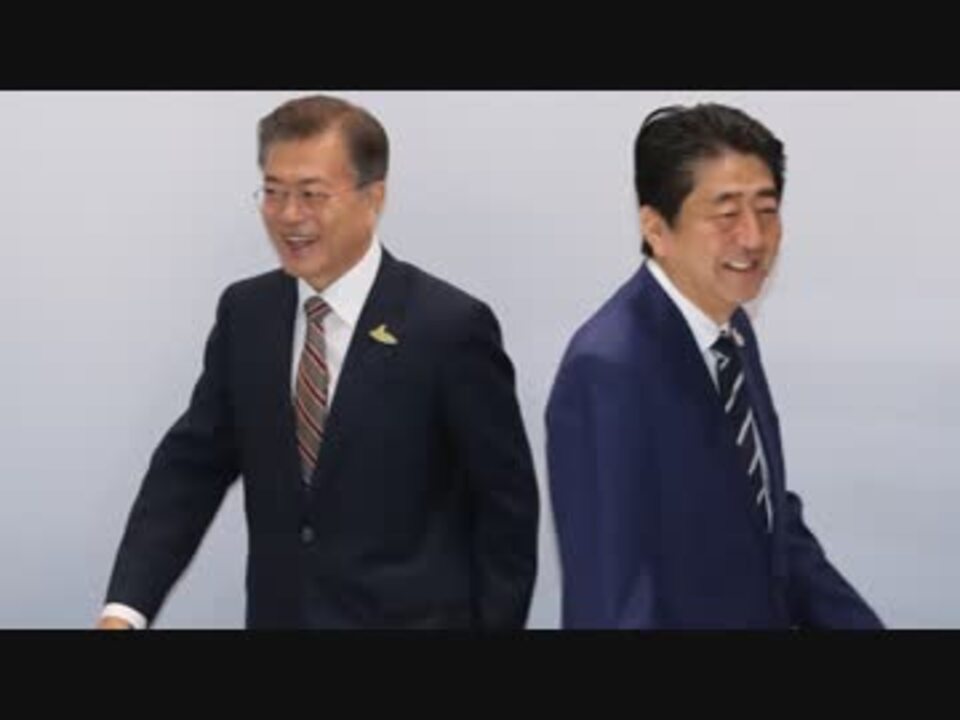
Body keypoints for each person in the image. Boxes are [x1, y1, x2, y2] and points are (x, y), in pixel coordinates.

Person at [98, 94, 539, 629]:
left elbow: (506, 511)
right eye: (274, 192)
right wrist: (126, 609)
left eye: (311, 194)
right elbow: (190, 470)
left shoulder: (447, 327)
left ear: (373, 197)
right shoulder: (247, 314)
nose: (289, 215)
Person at [546, 102, 883, 629]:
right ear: (656, 228)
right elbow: (612, 599)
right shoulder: (608, 368)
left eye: (766, 209)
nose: (753, 237)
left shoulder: (730, 329)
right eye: (726, 215)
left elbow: (769, 524)